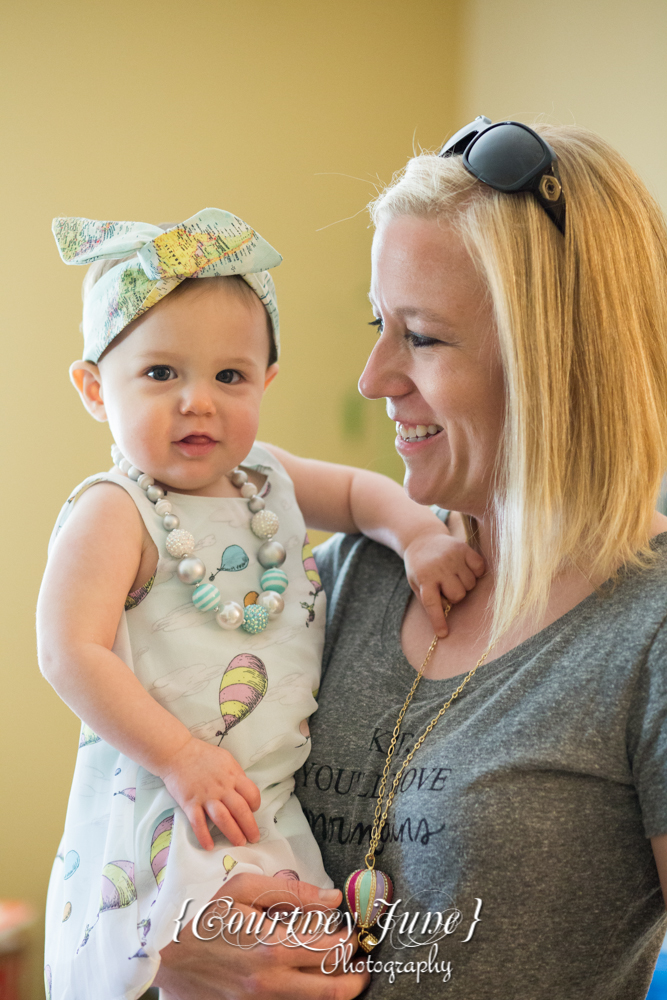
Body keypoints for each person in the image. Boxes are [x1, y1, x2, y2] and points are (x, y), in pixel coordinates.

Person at [153, 122, 667, 999]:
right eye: (376, 324)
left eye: (421, 337)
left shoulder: (645, 630)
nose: (372, 375)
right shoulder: (354, 571)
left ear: (553, 365)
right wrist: (180, 962)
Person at [38, 208, 483, 1000]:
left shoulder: (266, 477)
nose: (197, 402)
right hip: (167, 791)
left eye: (229, 376)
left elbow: (355, 493)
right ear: (93, 389)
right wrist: (180, 756)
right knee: (207, 962)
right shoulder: (115, 510)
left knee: (304, 957)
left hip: (264, 796)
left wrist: (417, 537)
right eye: (160, 374)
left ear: (265, 381)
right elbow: (69, 651)